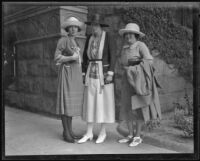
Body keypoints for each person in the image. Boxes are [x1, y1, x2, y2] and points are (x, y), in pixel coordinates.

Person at [117, 23, 162, 147]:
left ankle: (137, 136)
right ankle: (130, 134)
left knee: (138, 108)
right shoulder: (125, 48)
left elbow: (149, 61)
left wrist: (135, 68)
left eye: (131, 33)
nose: (128, 36)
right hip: (127, 81)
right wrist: (127, 70)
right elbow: (122, 63)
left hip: (138, 81)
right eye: (127, 34)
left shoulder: (141, 46)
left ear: (136, 35)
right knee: (127, 107)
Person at [77, 14, 116, 144]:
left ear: (101, 26)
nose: (93, 28)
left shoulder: (108, 37)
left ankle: (103, 132)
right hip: (90, 73)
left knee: (103, 102)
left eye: (96, 25)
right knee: (90, 102)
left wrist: (110, 73)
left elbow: (113, 56)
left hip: (103, 74)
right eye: (92, 25)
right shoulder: (89, 38)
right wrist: (83, 73)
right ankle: (88, 132)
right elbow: (84, 57)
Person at [54, 17, 84, 143]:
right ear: (67, 28)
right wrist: (70, 57)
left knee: (70, 104)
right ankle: (66, 132)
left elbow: (79, 59)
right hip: (66, 73)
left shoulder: (76, 41)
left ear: (78, 29)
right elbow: (56, 58)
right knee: (65, 103)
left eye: (75, 27)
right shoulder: (63, 40)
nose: (73, 29)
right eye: (71, 27)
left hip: (75, 75)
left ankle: (70, 130)